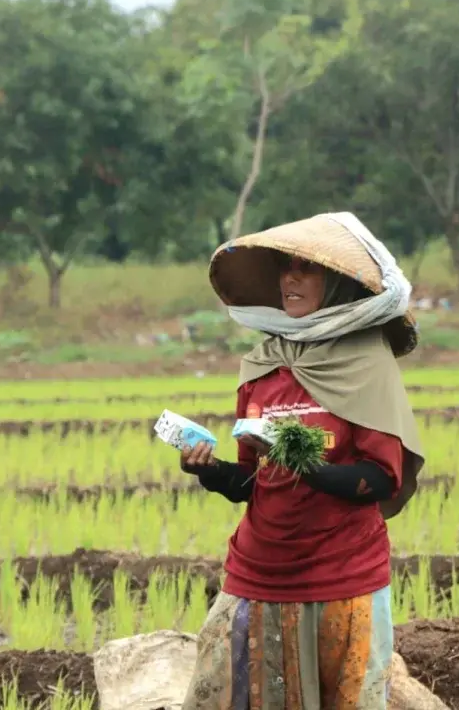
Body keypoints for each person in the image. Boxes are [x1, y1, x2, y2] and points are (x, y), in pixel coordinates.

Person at [180, 211, 426, 710]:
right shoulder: (262, 365)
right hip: (257, 574)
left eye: (305, 269)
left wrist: (301, 463)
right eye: (285, 268)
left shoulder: (365, 364)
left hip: (343, 578)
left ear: (335, 283)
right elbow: (254, 481)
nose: (289, 278)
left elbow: (381, 479)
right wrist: (210, 470)